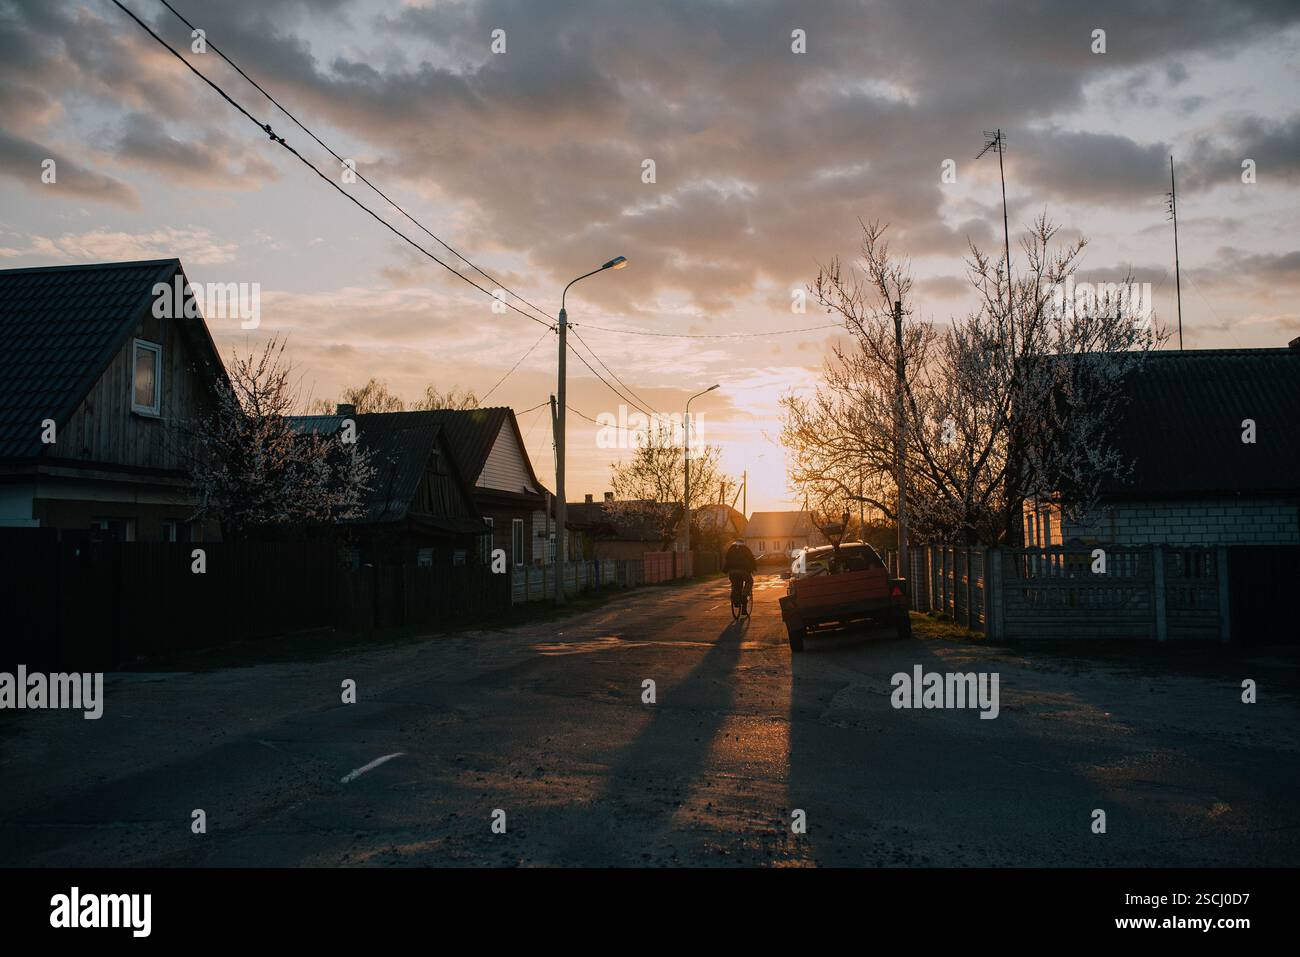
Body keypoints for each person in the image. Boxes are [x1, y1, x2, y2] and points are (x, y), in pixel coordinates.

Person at [723, 539, 756, 606]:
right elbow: (751, 559)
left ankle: (735, 600)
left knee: (735, 584)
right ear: (743, 543)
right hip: (744, 570)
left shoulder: (731, 549)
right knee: (749, 581)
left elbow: (727, 560)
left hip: (732, 571)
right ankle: (744, 595)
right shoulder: (745, 549)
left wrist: (725, 570)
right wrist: (753, 568)